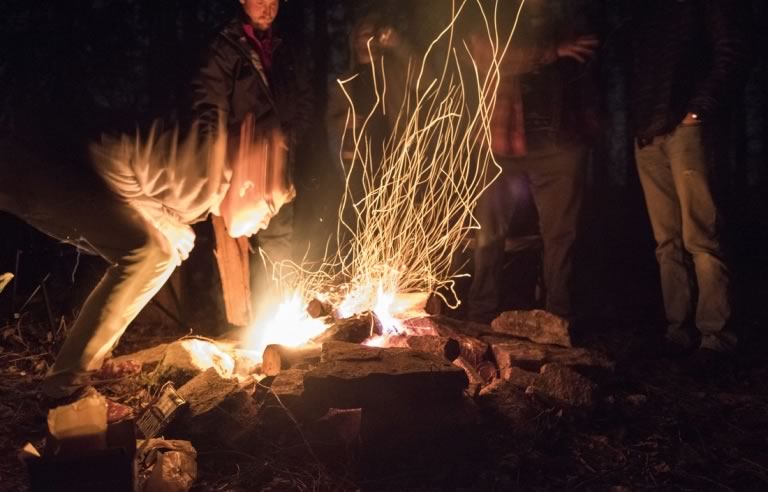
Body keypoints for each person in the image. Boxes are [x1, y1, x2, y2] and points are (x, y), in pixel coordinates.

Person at [630, 0, 750, 367]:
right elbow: (638, 68)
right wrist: (638, 124)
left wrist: (699, 109)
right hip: (648, 134)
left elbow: (730, 52)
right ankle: (677, 332)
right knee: (667, 241)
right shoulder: (645, 13)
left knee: (701, 235)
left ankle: (716, 337)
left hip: (687, 129)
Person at [465, 0, 599, 324]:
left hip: (560, 147)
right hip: (503, 145)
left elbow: (589, 80)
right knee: (489, 236)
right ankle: (481, 317)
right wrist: (550, 51)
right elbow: (486, 54)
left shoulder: (571, 21)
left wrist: (590, 130)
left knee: (560, 238)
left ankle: (558, 321)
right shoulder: (496, 17)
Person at [191, 0, 312, 308]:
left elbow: (302, 100)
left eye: (274, 1)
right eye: (260, 0)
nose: (268, 8)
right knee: (234, 247)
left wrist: (288, 139)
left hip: (277, 167)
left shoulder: (287, 47)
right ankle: (235, 329)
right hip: (236, 169)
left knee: (279, 244)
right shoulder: (226, 47)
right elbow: (209, 106)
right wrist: (216, 159)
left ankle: (275, 320)